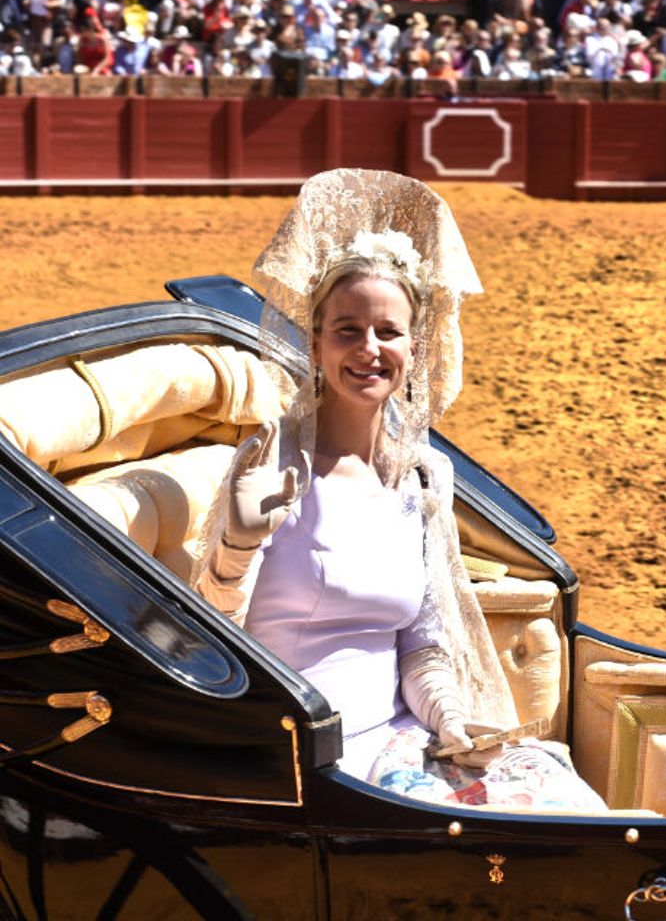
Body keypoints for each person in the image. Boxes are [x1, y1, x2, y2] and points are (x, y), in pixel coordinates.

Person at [196, 169, 606, 811]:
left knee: (563, 800)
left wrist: (450, 722)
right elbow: (211, 648)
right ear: (314, 343)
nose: (369, 349)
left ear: (415, 346)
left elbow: (420, 646)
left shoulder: (421, 475)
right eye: (347, 330)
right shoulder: (273, 462)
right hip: (305, 763)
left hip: (402, 743)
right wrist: (235, 546)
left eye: (387, 331)